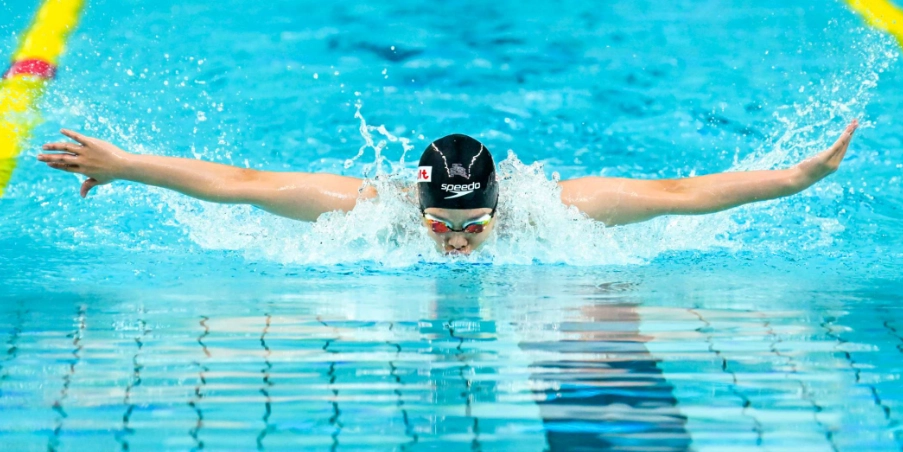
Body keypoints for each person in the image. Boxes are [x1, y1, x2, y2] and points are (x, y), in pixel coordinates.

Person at [37, 119, 858, 255]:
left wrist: (799, 176)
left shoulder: (556, 211)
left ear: (500, 204)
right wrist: (127, 165)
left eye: (471, 224)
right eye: (441, 224)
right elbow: (244, 185)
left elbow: (685, 195)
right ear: (416, 203)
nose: (457, 239)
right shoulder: (371, 212)